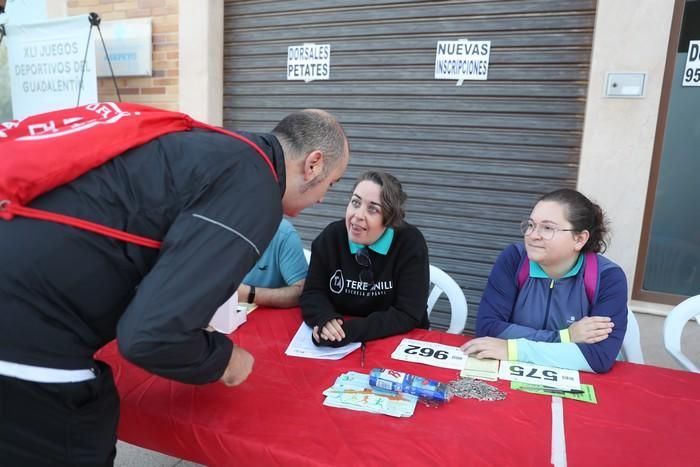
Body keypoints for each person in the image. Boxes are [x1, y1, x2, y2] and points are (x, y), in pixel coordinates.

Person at [0, 107, 349, 466]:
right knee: (83, 431)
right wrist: (225, 359)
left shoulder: (219, 147)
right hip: (30, 331)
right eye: (332, 183)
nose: (324, 198)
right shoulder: (256, 188)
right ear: (314, 164)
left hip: (22, 266)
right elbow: (150, 335)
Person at [461, 188, 628, 373]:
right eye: (531, 225)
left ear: (579, 239)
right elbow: (488, 328)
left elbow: (598, 358)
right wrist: (565, 337)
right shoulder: (514, 259)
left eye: (547, 228)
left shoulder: (608, 278)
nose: (532, 235)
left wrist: (513, 349)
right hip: (515, 377)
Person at [301, 170, 430, 347]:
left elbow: (408, 313)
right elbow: (312, 292)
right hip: (343, 340)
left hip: (398, 341)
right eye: (355, 202)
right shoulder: (331, 238)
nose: (358, 215)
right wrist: (325, 319)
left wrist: (349, 332)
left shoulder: (409, 243)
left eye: (372, 209)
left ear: (390, 218)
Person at [236, 218, 308, 308]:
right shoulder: (217, 228)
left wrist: (250, 294)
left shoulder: (283, 233)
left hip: (268, 314)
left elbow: (302, 292)